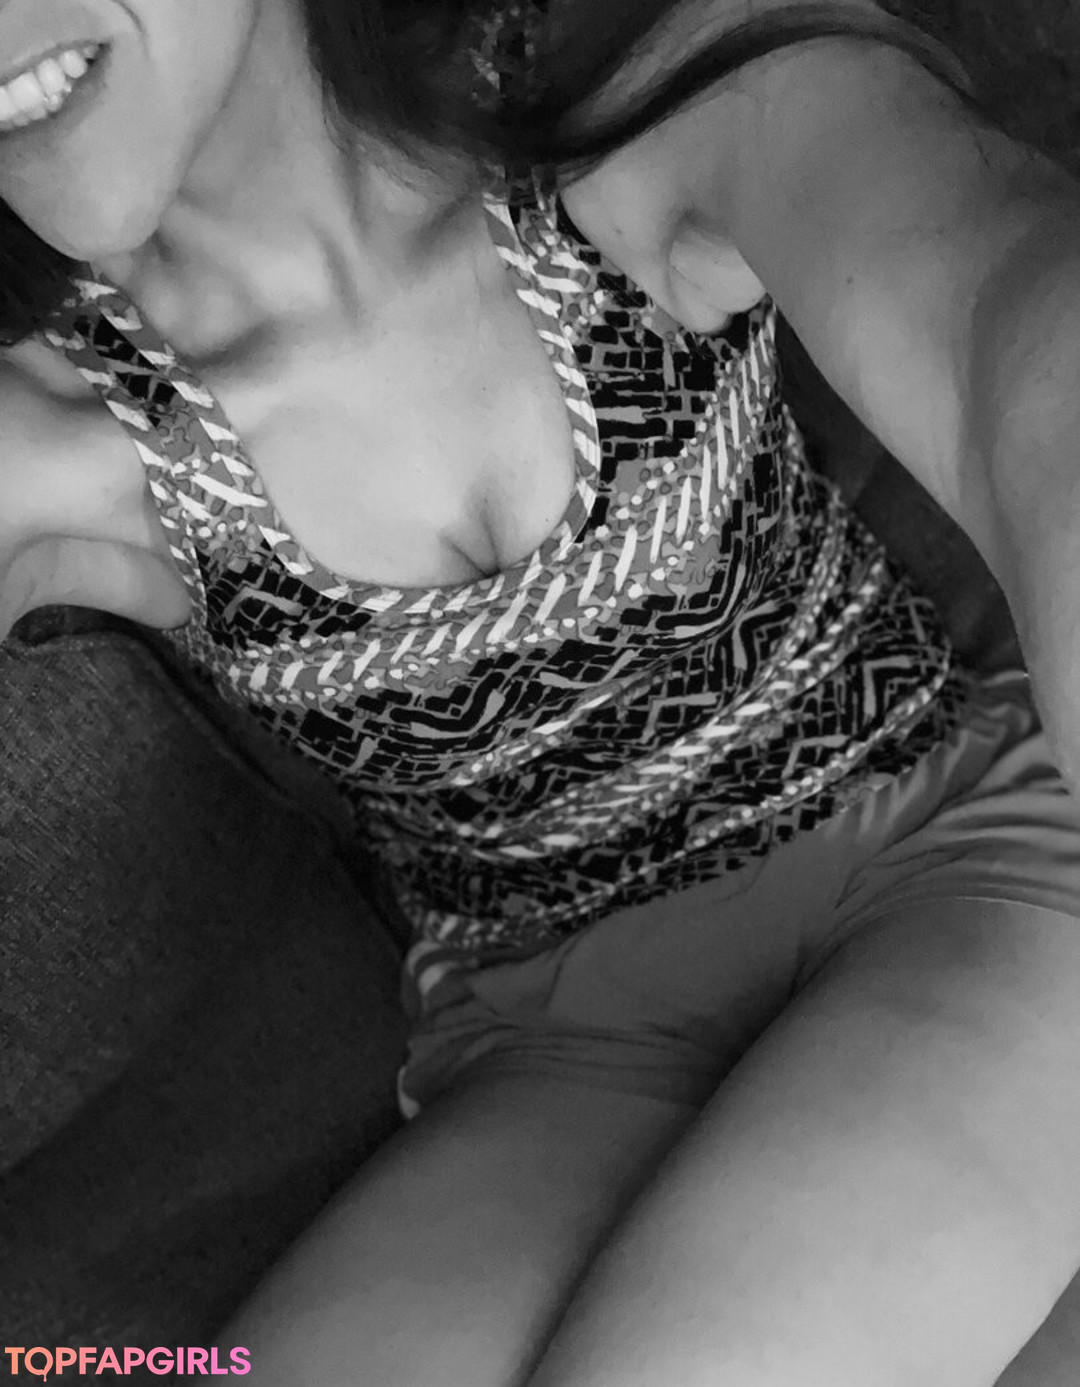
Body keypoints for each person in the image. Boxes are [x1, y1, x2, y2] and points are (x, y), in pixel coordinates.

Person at [4, 0, 1080, 1382]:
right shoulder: (53, 439)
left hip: (959, 861)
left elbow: (1008, 327)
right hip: (550, 1049)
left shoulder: (639, 93)